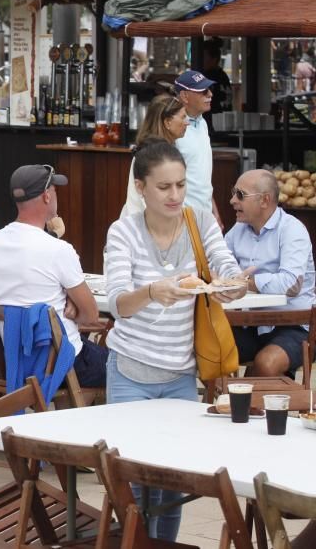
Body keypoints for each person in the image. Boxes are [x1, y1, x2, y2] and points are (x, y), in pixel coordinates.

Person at [103, 141, 244, 542]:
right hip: (130, 371)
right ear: (141, 187)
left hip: (181, 374)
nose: (175, 195)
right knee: (133, 479)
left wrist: (231, 286)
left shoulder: (199, 219)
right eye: (164, 187)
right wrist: (151, 291)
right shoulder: (124, 231)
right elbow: (117, 303)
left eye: (181, 184)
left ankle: (162, 546)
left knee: (173, 480)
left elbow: (226, 266)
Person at [0, 164, 108, 388]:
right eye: (56, 190)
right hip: (62, 363)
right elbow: (91, 315)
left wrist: (66, 299)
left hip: (17, 362)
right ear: (46, 196)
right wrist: (72, 310)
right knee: (125, 368)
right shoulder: (58, 249)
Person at [225, 169, 315, 377]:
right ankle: (231, 397)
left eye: (240, 194)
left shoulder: (292, 230)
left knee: (266, 363)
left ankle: (243, 398)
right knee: (206, 349)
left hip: (293, 326)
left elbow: (290, 282)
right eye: (233, 192)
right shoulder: (238, 229)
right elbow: (216, 263)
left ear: (264, 200)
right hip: (250, 323)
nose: (232, 200)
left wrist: (247, 282)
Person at [120, 96, 190, 218]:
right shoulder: (151, 156)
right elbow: (143, 202)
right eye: (183, 117)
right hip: (144, 227)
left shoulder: (166, 149)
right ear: (168, 122)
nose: (187, 122)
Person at [172, 69, 223, 229]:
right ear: (185, 96)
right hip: (182, 218)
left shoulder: (202, 123)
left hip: (204, 216)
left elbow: (201, 175)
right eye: (203, 91)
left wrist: (214, 211)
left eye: (209, 90)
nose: (210, 95)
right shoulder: (173, 128)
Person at [201, 40, 232, 132]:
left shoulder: (210, 77)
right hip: (222, 124)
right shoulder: (223, 76)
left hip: (213, 126)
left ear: (214, 59)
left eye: (204, 57)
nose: (201, 60)